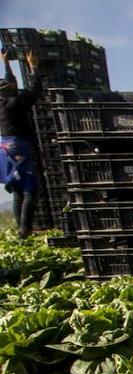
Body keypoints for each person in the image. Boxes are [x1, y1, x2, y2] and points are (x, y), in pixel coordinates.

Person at [0, 49, 42, 240]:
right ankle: (25, 230)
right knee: (30, 190)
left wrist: (6, 63)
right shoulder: (17, 103)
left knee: (17, 191)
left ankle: (21, 232)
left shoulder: (3, 103)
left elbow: (11, 84)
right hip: (19, 148)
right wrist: (34, 67)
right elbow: (34, 91)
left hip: (5, 148)